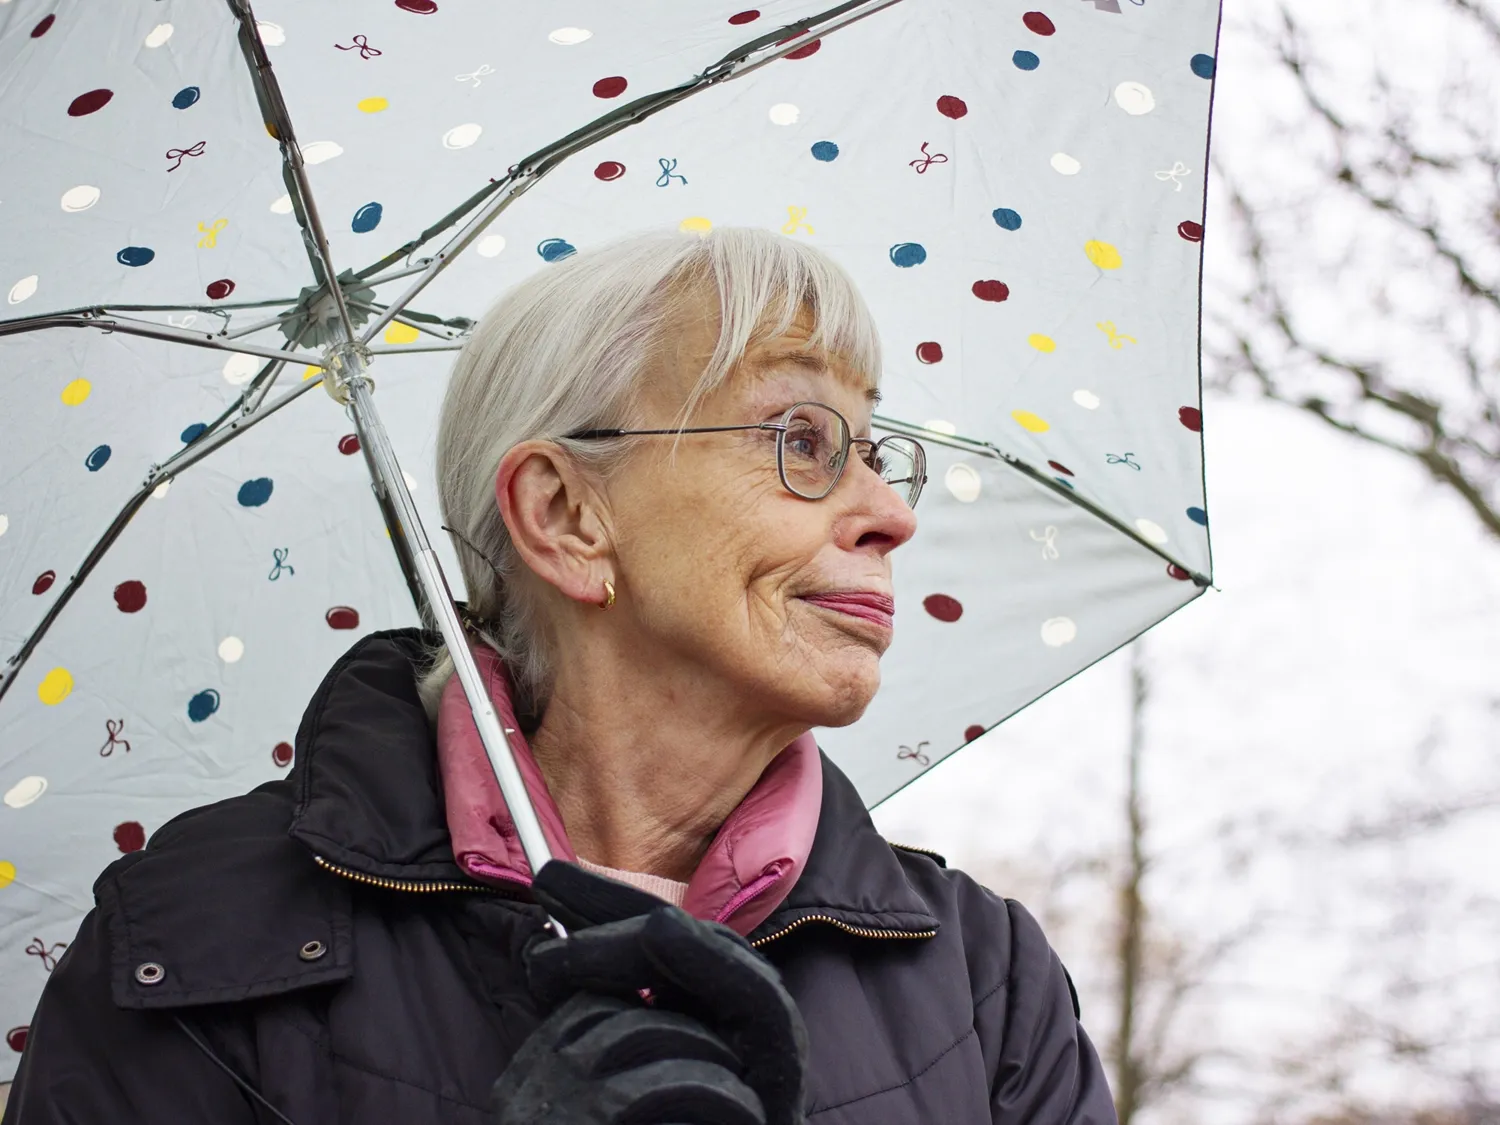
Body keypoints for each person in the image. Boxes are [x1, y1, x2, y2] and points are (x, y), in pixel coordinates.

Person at [4, 228, 1115, 1125]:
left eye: (877, 452)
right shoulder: (196, 934)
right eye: (803, 439)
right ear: (566, 514)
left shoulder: (981, 980)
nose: (890, 515)